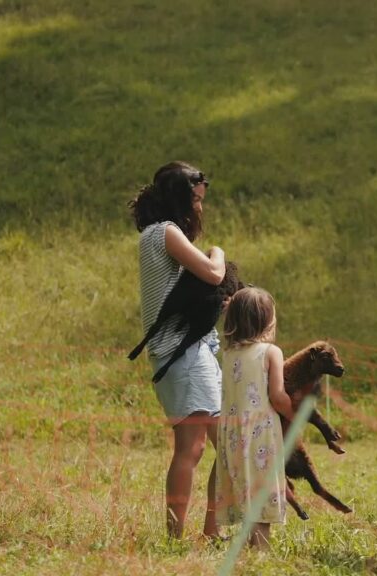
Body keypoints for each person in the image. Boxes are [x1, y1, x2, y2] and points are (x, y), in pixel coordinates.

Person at [128, 161, 227, 540]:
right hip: (182, 356)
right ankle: (176, 536)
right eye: (196, 200)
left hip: (193, 353)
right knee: (193, 446)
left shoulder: (154, 235)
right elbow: (214, 273)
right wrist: (217, 250)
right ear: (179, 199)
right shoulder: (165, 232)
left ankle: (211, 531)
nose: (200, 208)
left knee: (228, 446)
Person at [215, 287, 294, 548]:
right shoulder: (271, 352)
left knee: (245, 485)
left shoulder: (227, 354)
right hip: (261, 434)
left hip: (233, 435)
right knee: (262, 487)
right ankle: (260, 550)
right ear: (267, 320)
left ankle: (250, 542)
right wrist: (294, 413)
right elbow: (278, 395)